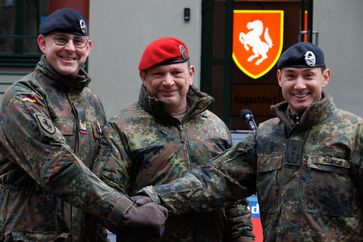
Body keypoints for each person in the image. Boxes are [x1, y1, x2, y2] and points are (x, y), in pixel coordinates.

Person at [137, 42, 363, 241]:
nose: (299, 85)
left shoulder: (353, 132)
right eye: (291, 75)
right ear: (279, 78)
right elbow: (216, 178)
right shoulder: (266, 136)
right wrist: (154, 197)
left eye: (309, 75)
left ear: (325, 77)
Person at [0, 8, 167, 242]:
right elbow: (58, 169)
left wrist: (145, 200)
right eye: (61, 39)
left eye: (78, 41)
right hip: (34, 235)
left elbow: (104, 172)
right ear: (42, 43)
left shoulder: (91, 102)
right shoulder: (23, 98)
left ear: (88, 48)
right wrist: (126, 212)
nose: (70, 48)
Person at [93, 37, 254, 242]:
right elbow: (108, 198)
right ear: (143, 77)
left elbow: (234, 197)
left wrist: (243, 237)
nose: (168, 82)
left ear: (191, 73)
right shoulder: (121, 128)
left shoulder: (215, 127)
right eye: (158, 74)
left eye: (176, 72)